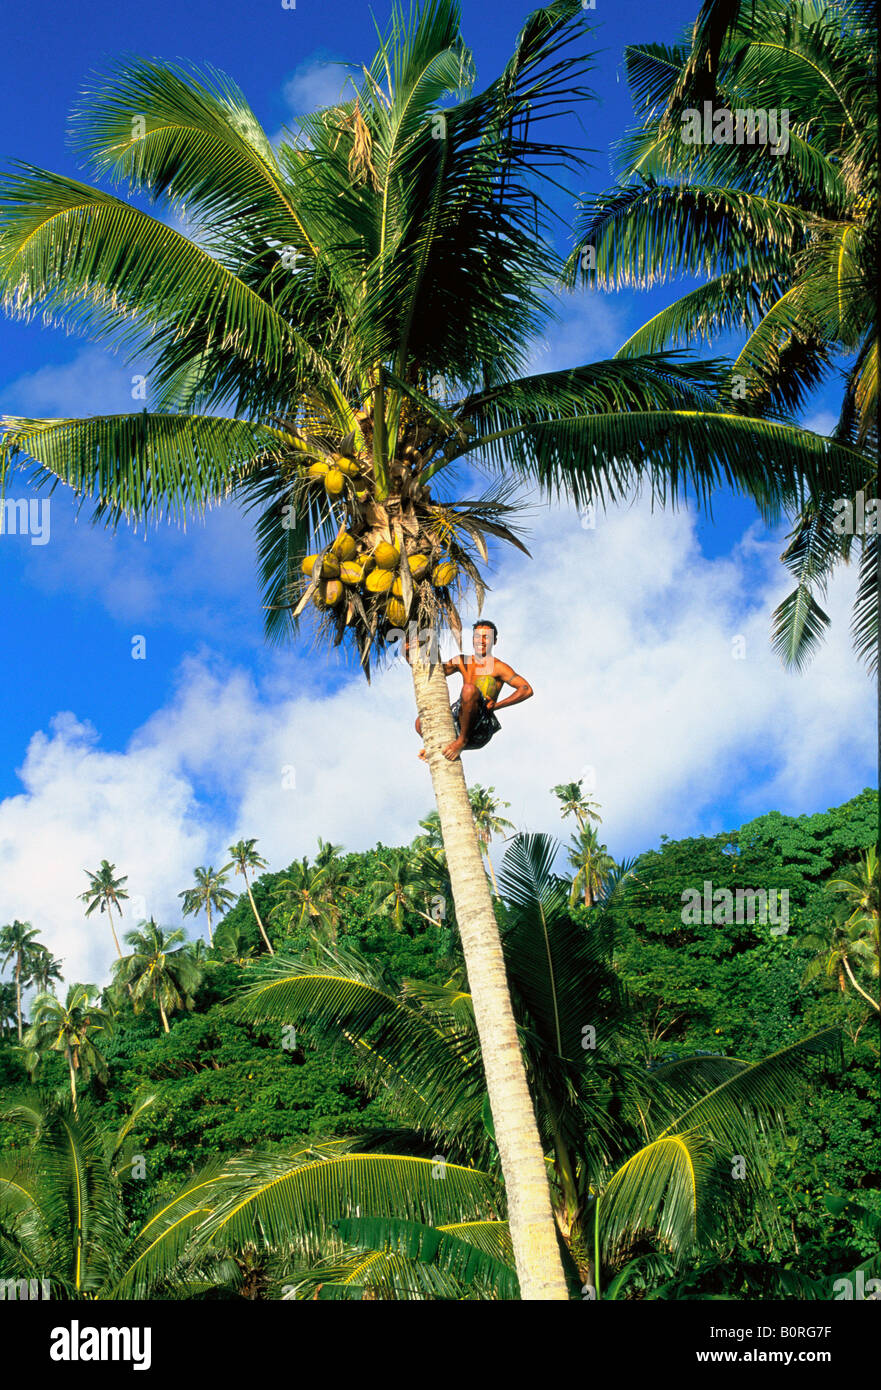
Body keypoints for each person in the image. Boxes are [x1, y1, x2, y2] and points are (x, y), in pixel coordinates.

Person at [411, 619, 533, 762]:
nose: (481, 641)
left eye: (486, 637)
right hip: (461, 717)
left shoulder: (498, 667)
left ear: (494, 641)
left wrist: (496, 706)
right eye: (477, 636)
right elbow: (432, 670)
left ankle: (461, 741)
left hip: (480, 727)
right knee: (420, 722)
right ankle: (434, 747)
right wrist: (414, 650)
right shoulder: (462, 660)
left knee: (469, 689)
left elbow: (526, 689)